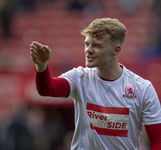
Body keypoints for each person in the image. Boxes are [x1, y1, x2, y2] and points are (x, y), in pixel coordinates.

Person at [29, 18, 161, 150]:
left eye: (97, 45)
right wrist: (41, 66)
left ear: (116, 50)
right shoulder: (79, 77)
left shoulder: (143, 89)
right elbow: (48, 89)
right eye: (87, 44)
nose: (89, 50)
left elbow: (157, 140)